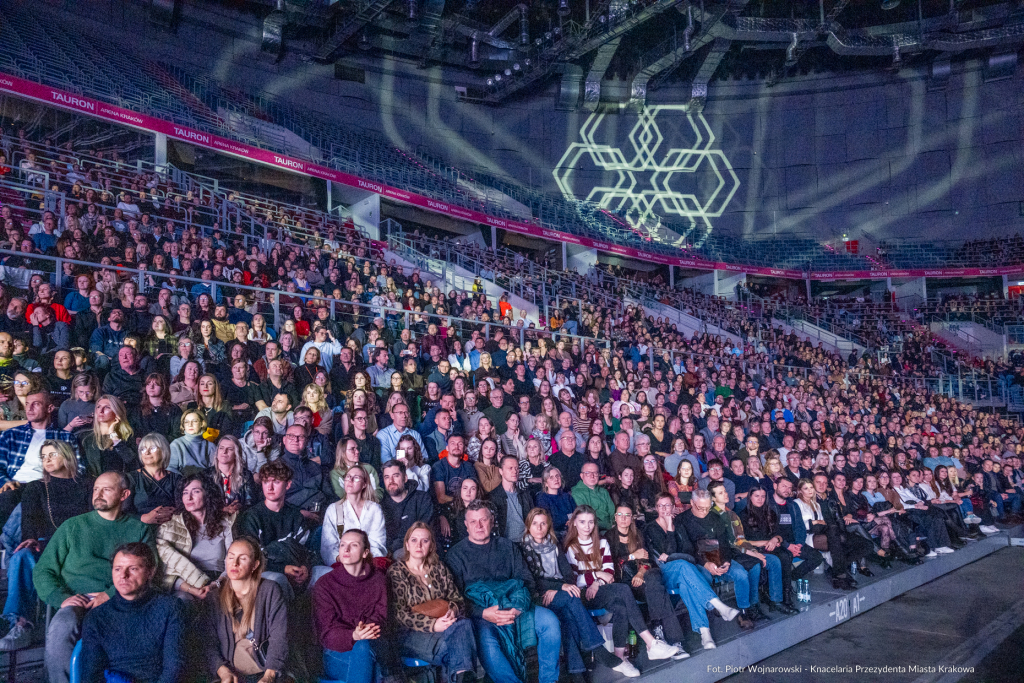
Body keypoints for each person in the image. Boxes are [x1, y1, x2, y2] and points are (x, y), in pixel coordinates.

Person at [33, 471, 156, 683]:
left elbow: (150, 570)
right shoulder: (72, 526)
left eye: (106, 489)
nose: (98, 494)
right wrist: (61, 598)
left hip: (121, 601)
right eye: (96, 489)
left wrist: (110, 594)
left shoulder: (139, 529)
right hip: (76, 600)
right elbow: (43, 570)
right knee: (62, 625)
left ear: (124, 494)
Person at [445, 501, 563, 683]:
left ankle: (549, 680)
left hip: (516, 605)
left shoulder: (507, 547)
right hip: (483, 614)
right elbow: (455, 598)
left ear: (492, 521)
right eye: (473, 521)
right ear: (466, 525)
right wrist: (483, 613)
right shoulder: (455, 555)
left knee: (550, 621)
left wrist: (517, 607)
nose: (479, 525)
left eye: (483, 520)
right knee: (488, 642)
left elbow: (527, 580)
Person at [519, 508, 637, 680]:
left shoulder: (554, 544)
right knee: (572, 597)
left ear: (548, 526)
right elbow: (531, 581)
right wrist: (559, 587)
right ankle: (601, 653)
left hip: (561, 592)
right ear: (528, 526)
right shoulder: (522, 549)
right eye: (535, 523)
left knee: (568, 617)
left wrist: (562, 586)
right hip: (540, 595)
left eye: (543, 523)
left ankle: (577, 674)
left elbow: (568, 575)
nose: (539, 528)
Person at [0, 440, 91, 651]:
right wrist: (30, 538)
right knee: (21, 556)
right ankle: (21, 625)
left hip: (80, 547)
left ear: (66, 456)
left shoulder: (88, 484)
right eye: (43, 457)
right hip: (48, 546)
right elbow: (29, 519)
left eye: (52, 455)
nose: (46, 460)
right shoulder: (37, 487)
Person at [562, 506, 683, 663]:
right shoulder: (571, 547)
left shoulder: (601, 542)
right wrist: (597, 575)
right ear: (574, 523)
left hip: (603, 589)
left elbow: (609, 572)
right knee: (624, 589)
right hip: (583, 594)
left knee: (621, 606)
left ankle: (620, 658)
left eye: (591, 522)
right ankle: (651, 643)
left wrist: (597, 582)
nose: (587, 526)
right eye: (582, 522)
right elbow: (575, 580)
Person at [641, 493, 739, 650]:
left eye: (667, 505)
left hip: (684, 571)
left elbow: (688, 550)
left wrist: (673, 552)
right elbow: (664, 556)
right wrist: (670, 530)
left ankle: (705, 634)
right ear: (656, 508)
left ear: (673, 507)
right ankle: (718, 605)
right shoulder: (650, 528)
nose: (664, 509)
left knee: (686, 585)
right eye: (660, 505)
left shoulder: (679, 525)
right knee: (682, 565)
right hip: (665, 573)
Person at [80, 542, 185, 683]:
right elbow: (91, 676)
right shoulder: (96, 617)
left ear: (150, 572)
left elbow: (174, 668)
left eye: (133, 568)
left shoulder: (170, 607)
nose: (123, 575)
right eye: (118, 569)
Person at [387, 523, 478, 683]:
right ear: (407, 545)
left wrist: (452, 611)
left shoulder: (439, 568)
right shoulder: (397, 572)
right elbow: (399, 614)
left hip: (446, 626)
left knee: (464, 625)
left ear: (431, 545)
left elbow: (457, 599)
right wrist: (433, 625)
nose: (419, 545)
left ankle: (462, 677)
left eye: (425, 540)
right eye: (414, 540)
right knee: (459, 648)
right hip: (410, 633)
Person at [603, 504, 690, 656]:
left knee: (654, 579)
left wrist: (641, 573)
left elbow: (646, 559)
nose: (623, 518)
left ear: (632, 518)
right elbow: (611, 565)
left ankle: (661, 633)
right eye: (620, 515)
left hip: (642, 578)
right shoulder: (608, 537)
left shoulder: (637, 534)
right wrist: (632, 556)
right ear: (615, 517)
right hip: (624, 583)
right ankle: (667, 636)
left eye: (627, 515)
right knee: (658, 591)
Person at [313, 529, 396, 683]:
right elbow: (327, 633)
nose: (346, 549)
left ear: (365, 553)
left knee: (369, 650)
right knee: (372, 658)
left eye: (354, 545)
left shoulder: (378, 580)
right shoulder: (324, 584)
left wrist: (364, 632)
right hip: (336, 652)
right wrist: (354, 635)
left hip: (373, 645)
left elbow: (381, 618)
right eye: (342, 545)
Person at [208, 537, 289, 683]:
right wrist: (222, 671)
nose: (235, 563)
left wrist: (269, 676)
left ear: (255, 565)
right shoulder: (215, 597)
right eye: (231, 557)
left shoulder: (270, 590)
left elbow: (279, 637)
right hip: (231, 673)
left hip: (264, 671)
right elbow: (208, 643)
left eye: (243, 558)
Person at [0, 389, 80, 530]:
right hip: (15, 484)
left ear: (49, 408)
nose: (29, 408)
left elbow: (79, 468)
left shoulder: (65, 437)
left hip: (47, 487)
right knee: (7, 497)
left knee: (32, 501)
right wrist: (5, 481)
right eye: (27, 404)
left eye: (36, 404)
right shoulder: (11, 434)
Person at [678, 489, 759, 628]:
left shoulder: (716, 518)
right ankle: (712, 609)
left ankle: (743, 611)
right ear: (692, 502)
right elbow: (686, 549)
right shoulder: (682, 520)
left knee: (741, 574)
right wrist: (705, 563)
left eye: (708, 507)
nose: (705, 511)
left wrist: (726, 561)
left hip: (718, 556)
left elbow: (724, 543)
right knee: (703, 577)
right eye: (700, 508)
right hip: (697, 559)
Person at [232, 461, 313, 601]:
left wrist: (305, 568)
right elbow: (250, 558)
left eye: (276, 482)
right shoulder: (252, 517)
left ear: (288, 485)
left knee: (321, 573)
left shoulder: (295, 515)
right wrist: (283, 568)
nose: (269, 487)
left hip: (296, 569)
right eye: (265, 482)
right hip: (264, 571)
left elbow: (307, 551)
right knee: (278, 579)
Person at [157, 473, 232, 600]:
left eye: (195, 491)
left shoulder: (226, 523)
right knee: (183, 599)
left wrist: (216, 584)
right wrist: (193, 590)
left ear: (208, 494)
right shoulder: (170, 527)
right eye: (185, 493)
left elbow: (232, 562)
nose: (189, 497)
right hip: (188, 586)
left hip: (221, 582)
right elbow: (166, 570)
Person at [319, 466, 386, 581]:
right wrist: (346, 560)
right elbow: (328, 547)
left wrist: (361, 562)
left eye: (356, 478)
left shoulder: (374, 509)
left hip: (369, 562)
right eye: (348, 477)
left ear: (364, 484)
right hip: (342, 563)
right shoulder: (333, 509)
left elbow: (378, 543)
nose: (350, 480)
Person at [381, 460, 435, 557]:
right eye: (387, 477)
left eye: (396, 476)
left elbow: (424, 531)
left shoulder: (422, 499)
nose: (391, 481)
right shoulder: (380, 504)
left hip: (417, 547)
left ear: (405, 478)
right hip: (390, 551)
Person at [126, 433, 180, 525]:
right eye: (143, 449)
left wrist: (174, 513)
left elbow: (183, 507)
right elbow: (121, 512)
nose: (147, 453)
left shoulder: (176, 478)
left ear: (163, 451)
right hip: (139, 527)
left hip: (170, 528)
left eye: (152, 448)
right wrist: (143, 518)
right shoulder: (131, 478)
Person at [79, 395, 139, 477]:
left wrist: (113, 434)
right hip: (95, 482)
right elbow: (83, 469)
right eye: (98, 407)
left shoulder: (127, 436)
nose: (101, 411)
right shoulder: (86, 438)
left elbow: (133, 464)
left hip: (121, 482)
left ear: (117, 411)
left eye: (107, 407)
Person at [489, 455, 534, 540]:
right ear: (501, 471)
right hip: (504, 543)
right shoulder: (492, 497)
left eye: (517, 468)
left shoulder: (525, 495)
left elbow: (533, 518)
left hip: (526, 541)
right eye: (510, 468)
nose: (515, 471)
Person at [570, 463, 615, 532]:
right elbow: (586, 517)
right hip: (593, 530)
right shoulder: (576, 493)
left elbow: (612, 511)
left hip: (612, 528)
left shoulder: (604, 492)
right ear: (581, 476)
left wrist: (615, 525)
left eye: (595, 473)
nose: (592, 476)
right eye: (588, 473)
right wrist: (609, 526)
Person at [169, 410, 216, 475]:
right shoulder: (176, 444)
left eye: (194, 421)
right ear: (183, 425)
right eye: (186, 422)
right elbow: (171, 469)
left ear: (202, 423)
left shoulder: (211, 446)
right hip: (182, 479)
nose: (190, 425)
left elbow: (214, 471)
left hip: (204, 479)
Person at [534, 467, 576, 540]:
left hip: (571, 532)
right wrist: (567, 519)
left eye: (557, 476)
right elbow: (549, 521)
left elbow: (576, 513)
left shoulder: (567, 496)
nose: (556, 479)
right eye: (551, 477)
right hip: (553, 535)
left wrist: (571, 520)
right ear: (546, 483)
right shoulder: (541, 499)